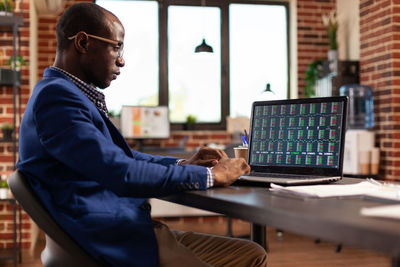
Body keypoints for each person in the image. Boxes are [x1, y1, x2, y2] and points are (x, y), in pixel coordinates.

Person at [16, 3, 267, 266]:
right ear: (82, 42)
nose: (122, 60)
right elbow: (122, 172)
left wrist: (183, 163)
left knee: (253, 252)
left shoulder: (64, 94)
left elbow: (123, 158)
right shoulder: (57, 98)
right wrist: (210, 175)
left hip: (119, 231)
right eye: (116, 47)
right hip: (113, 243)